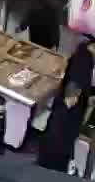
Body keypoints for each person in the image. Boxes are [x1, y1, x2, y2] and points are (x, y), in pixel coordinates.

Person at [36, 37, 92, 172]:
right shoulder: (84, 60)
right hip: (64, 127)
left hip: (59, 123)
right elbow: (72, 97)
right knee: (56, 154)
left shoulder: (83, 50)